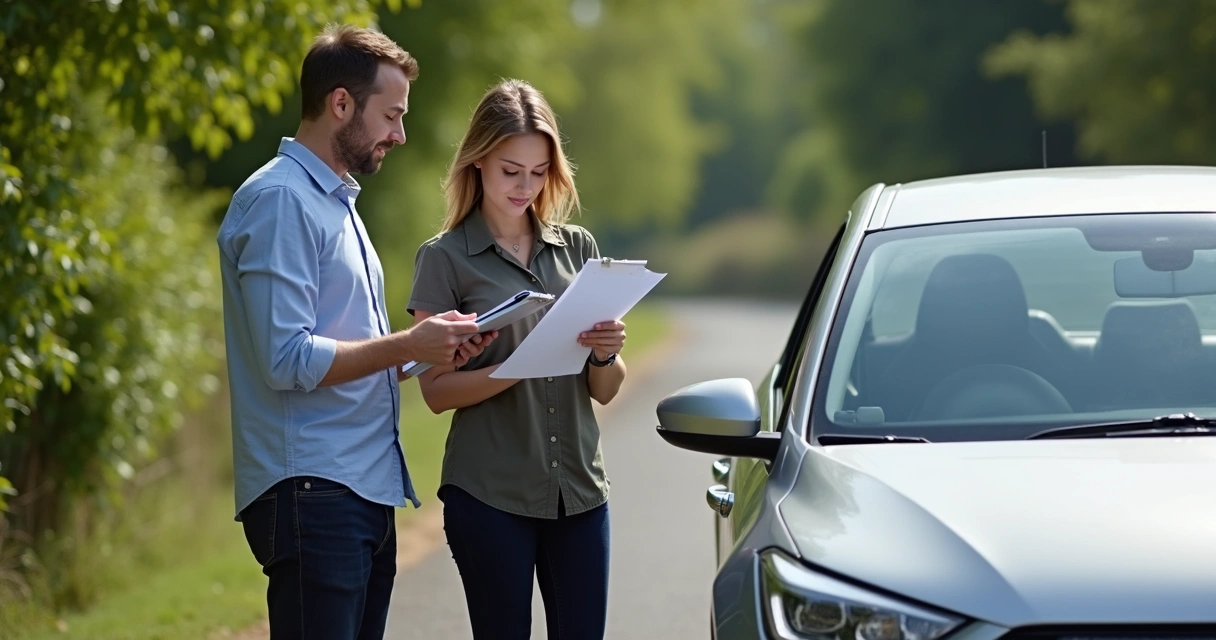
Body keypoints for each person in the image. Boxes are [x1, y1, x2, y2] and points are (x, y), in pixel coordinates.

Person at [216, 24, 496, 640]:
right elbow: (286, 359)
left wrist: (431, 352)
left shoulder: (335, 203)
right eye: (391, 115)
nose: (401, 133)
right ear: (341, 103)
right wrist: (408, 345)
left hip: (357, 490)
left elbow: (344, 351)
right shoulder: (283, 201)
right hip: (315, 492)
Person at [407, 78, 627, 639]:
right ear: (478, 162)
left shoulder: (578, 249)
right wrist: (511, 370)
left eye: (537, 172)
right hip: (488, 496)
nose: (524, 187)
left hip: (579, 493)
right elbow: (434, 391)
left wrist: (605, 355)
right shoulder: (444, 260)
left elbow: (603, 390)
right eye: (511, 170)